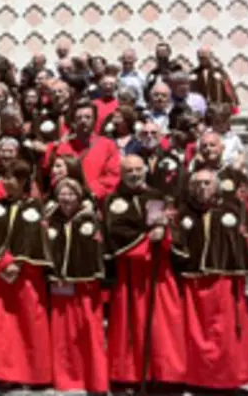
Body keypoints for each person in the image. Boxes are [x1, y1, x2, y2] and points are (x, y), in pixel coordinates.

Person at [172, 169, 248, 390]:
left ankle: (226, 379)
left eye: (207, 183)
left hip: (223, 282)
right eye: (198, 183)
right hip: (192, 282)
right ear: (190, 187)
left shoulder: (232, 209)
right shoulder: (183, 213)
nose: (203, 187)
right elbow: (176, 244)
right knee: (194, 333)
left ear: (217, 186)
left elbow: (243, 244)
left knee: (225, 332)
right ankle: (197, 379)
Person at [104, 155, 185, 390]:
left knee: (161, 325)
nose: (134, 174)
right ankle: (129, 375)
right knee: (130, 326)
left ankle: (162, 374)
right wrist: (147, 237)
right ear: (121, 172)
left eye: (138, 169)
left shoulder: (157, 196)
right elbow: (115, 231)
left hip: (157, 271)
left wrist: (164, 228)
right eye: (129, 170)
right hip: (130, 271)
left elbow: (167, 226)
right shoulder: (113, 200)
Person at [0, 160, 53, 387]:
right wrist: (2, 263)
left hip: (27, 277)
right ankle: (3, 374)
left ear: (22, 181)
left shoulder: (35, 207)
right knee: (3, 328)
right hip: (0, 275)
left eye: (10, 177)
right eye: (3, 176)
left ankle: (33, 374)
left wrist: (19, 264)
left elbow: (34, 240)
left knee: (30, 322)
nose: (5, 181)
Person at [46, 177, 107, 393]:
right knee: (61, 338)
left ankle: (92, 380)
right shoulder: (51, 218)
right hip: (59, 287)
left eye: (71, 193)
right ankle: (63, 379)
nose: (66, 198)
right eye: (62, 193)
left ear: (79, 196)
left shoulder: (91, 219)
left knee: (87, 333)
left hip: (85, 289)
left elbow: (100, 251)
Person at [43, 103, 121, 202]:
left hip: (94, 201)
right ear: (74, 121)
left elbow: (112, 176)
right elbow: (50, 173)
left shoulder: (108, 145)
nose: (83, 121)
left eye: (88, 117)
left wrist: (88, 192)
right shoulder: (62, 147)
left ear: (95, 120)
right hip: (65, 201)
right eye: (79, 118)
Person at [190, 45, 239, 113]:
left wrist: (233, 103)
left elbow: (227, 88)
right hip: (199, 110)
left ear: (210, 57)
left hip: (217, 109)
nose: (202, 60)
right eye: (200, 58)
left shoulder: (219, 72)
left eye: (205, 57)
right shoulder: (193, 74)